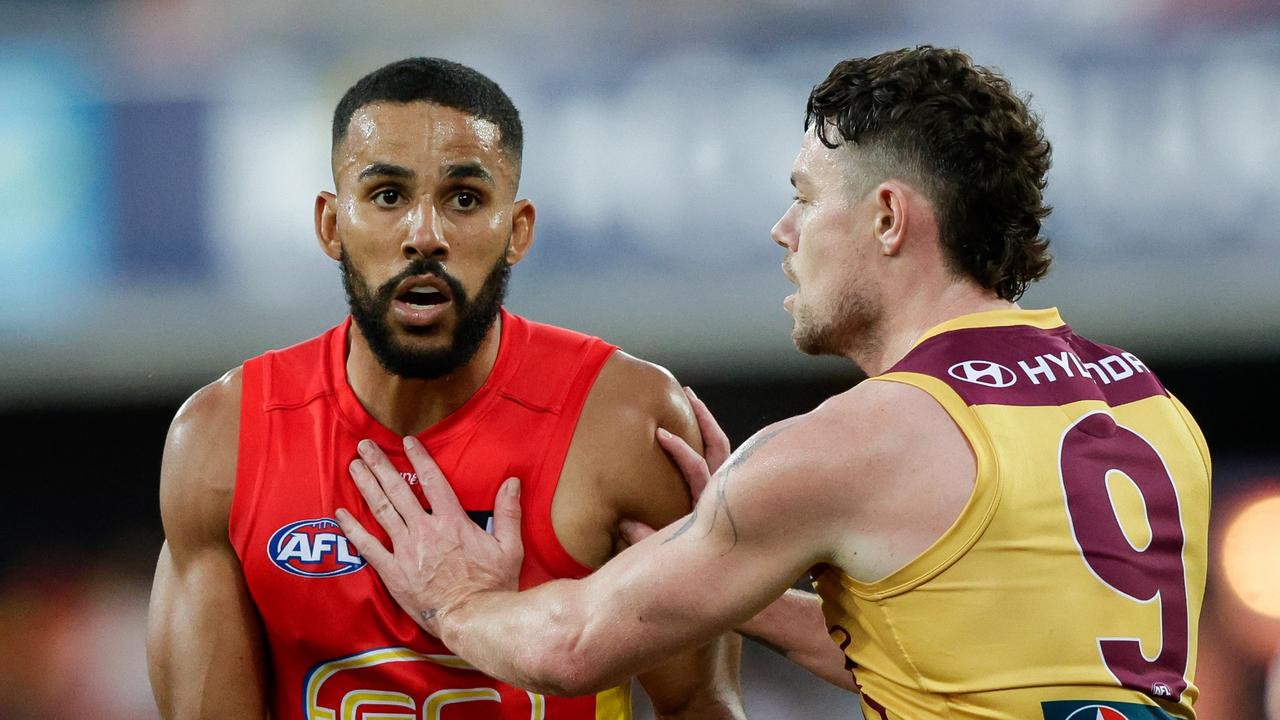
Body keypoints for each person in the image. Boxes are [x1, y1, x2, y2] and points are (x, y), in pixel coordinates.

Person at [336, 47, 1212, 720]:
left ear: (887, 217)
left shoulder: (856, 441)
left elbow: (571, 647)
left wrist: (460, 598)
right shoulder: (1148, 406)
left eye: (805, 196)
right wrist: (737, 584)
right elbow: (959, 659)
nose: (782, 230)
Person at [145, 57, 744, 720]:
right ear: (330, 224)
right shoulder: (222, 441)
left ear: (516, 231)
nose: (424, 236)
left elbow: (698, 704)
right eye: (387, 196)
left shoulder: (625, 425)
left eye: (464, 198)